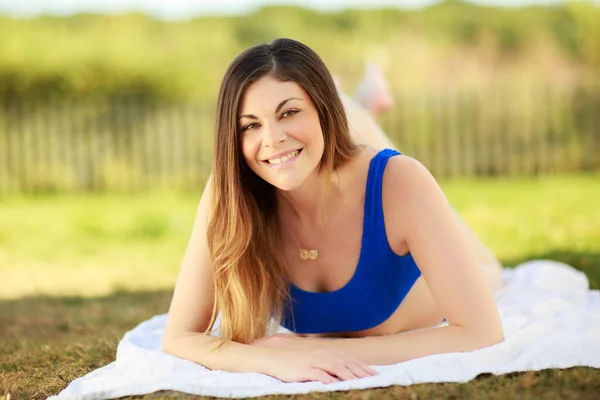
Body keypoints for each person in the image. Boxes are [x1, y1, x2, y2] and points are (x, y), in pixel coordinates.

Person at [161, 38, 504, 385]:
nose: (272, 138)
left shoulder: (401, 183)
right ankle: (360, 101)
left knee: (488, 269)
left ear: (323, 108)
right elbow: (179, 337)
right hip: (329, 153)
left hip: (398, 208)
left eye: (289, 112)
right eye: (250, 125)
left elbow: (480, 332)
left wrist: (310, 352)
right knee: (311, 146)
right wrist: (269, 359)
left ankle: (355, 103)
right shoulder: (230, 194)